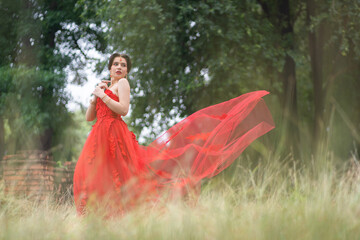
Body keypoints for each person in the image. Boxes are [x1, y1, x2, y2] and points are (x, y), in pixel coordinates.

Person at [73, 53, 275, 216]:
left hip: (115, 135)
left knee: (122, 175)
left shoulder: (123, 84)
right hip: (98, 136)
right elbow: (89, 118)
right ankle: (103, 213)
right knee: (98, 174)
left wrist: (104, 97)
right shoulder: (105, 86)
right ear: (109, 68)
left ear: (126, 71)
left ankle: (130, 211)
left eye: (123, 65)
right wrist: (94, 98)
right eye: (115, 64)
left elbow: (124, 109)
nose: (119, 67)